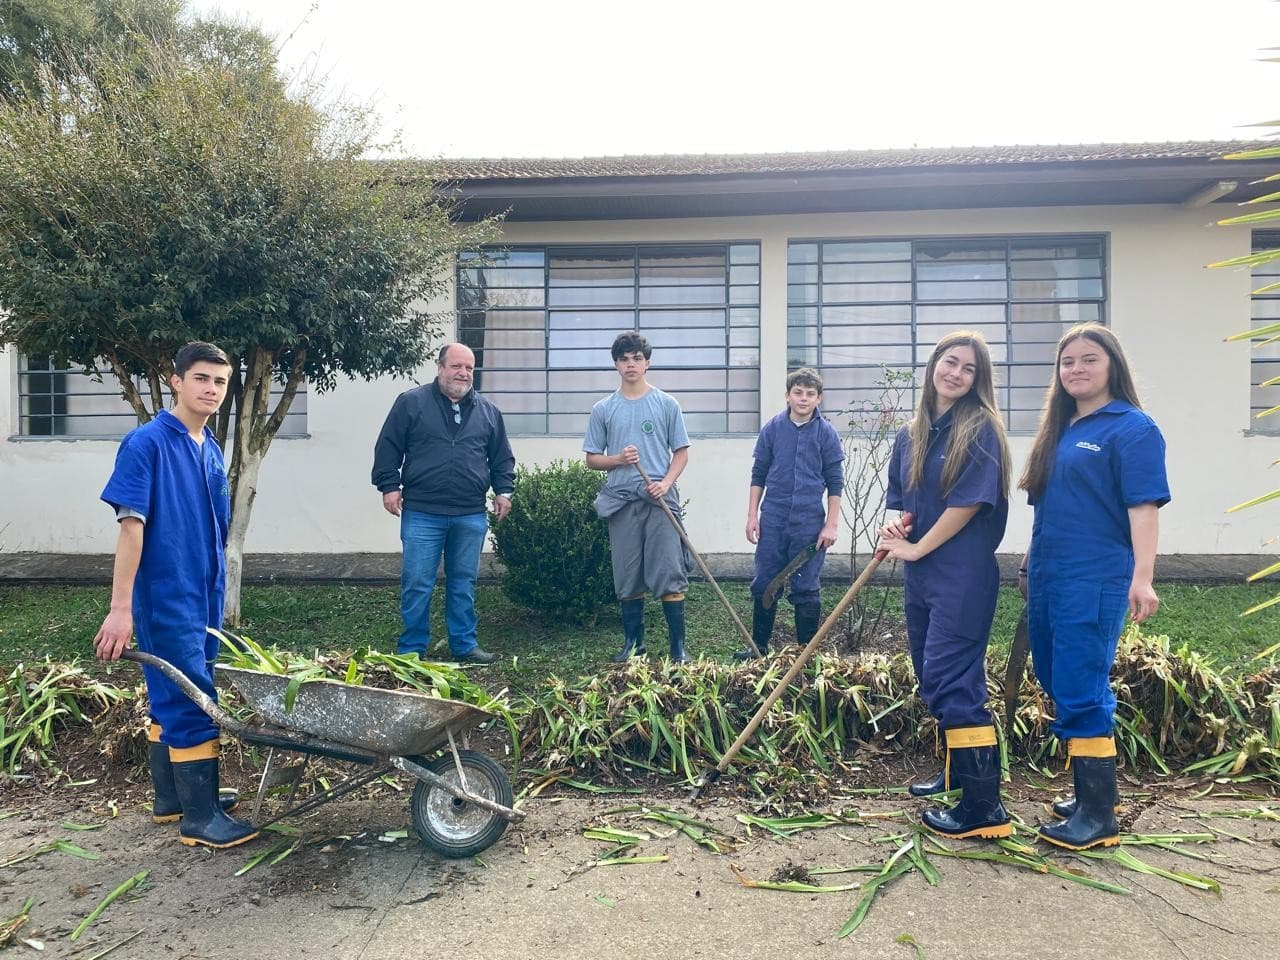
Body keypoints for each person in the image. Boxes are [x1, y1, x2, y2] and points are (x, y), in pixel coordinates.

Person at [93, 341, 258, 849]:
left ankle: (173, 799)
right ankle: (201, 819)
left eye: (220, 382)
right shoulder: (147, 444)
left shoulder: (206, 445)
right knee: (192, 697)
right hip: (167, 594)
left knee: (177, 693)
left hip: (203, 592)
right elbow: (131, 528)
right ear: (177, 381)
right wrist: (121, 610)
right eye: (202, 378)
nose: (211, 389)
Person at [1019, 322, 1169, 851]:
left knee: (1081, 685)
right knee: (1055, 677)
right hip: (1050, 574)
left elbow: (1143, 505)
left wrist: (1142, 577)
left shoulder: (1132, 427)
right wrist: (1031, 565)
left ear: (1112, 367)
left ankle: (1098, 815)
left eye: (1089, 359)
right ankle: (1088, 797)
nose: (1076, 369)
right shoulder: (1059, 429)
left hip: (1095, 576)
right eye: (1067, 362)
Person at [877, 330, 1013, 841]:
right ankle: (959, 772)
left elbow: (968, 505)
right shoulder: (911, 434)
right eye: (949, 362)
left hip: (961, 573)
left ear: (979, 380)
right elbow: (906, 501)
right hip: (923, 575)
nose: (955, 373)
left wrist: (916, 547)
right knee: (930, 673)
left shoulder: (981, 430)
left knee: (954, 680)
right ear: (933, 365)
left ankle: (984, 809)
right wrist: (897, 530)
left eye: (968, 368)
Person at [372, 343, 515, 665]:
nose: (463, 373)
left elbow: (502, 458)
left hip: (470, 514)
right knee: (417, 583)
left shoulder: (489, 412)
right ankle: (411, 649)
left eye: (469, 368)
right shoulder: (411, 403)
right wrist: (389, 486)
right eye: (456, 366)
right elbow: (388, 447)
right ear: (440, 367)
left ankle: (464, 645)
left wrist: (504, 491)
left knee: (463, 583)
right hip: (423, 512)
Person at [584, 332, 692, 663]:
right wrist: (617, 459)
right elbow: (591, 459)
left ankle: (678, 649)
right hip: (621, 502)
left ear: (647, 362)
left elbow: (682, 453)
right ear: (616, 364)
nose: (631, 364)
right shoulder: (603, 409)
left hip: (659, 501)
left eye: (637, 358)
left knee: (669, 572)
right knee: (628, 574)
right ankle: (634, 644)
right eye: (624, 359)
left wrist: (666, 482)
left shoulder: (667, 404)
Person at [736, 367, 844, 660]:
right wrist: (752, 515)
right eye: (798, 392)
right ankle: (759, 648)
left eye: (810, 394)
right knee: (765, 582)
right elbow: (758, 474)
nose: (804, 398)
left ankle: (804, 655)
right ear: (787, 395)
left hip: (809, 524)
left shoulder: (827, 434)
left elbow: (835, 482)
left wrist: (831, 525)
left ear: (819, 398)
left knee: (806, 586)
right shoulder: (772, 429)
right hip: (773, 519)